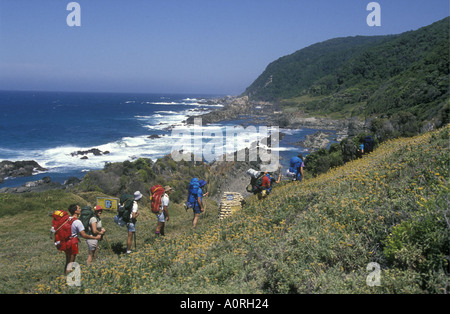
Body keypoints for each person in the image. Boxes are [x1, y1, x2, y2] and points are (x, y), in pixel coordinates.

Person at [65, 204, 101, 275]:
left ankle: (64, 275)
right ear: (75, 211)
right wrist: (95, 238)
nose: (80, 210)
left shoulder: (68, 219)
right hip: (73, 242)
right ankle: (67, 279)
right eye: (79, 208)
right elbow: (84, 235)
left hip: (66, 241)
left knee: (67, 262)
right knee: (71, 263)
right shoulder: (78, 221)